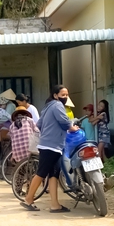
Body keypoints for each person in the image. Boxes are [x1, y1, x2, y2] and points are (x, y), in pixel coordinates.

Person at [20, 84, 80, 213]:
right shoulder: (58, 105)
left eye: (67, 95)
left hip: (51, 145)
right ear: (55, 95)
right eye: (63, 95)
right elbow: (64, 122)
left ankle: (55, 204)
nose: (65, 97)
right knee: (41, 173)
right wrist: (72, 127)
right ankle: (28, 199)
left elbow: (39, 124)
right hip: (51, 146)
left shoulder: (47, 107)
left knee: (54, 174)